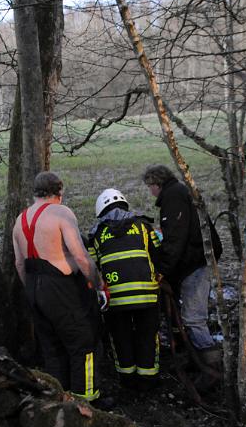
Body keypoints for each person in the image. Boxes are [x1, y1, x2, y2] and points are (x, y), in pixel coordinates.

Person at [12, 172, 105, 404]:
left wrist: (33, 292)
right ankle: (87, 404)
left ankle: (56, 401)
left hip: (33, 287)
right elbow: (81, 256)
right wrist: (99, 285)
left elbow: (19, 263)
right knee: (83, 343)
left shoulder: (20, 219)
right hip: (61, 286)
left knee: (51, 348)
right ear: (59, 191)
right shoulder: (61, 213)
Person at [142, 164, 220, 389]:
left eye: (150, 187)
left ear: (156, 184)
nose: (150, 192)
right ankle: (197, 361)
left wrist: (163, 270)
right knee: (190, 316)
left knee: (194, 318)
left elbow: (175, 239)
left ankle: (212, 370)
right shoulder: (179, 192)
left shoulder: (173, 198)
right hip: (197, 258)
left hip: (196, 262)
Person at [88, 188, 161, 392]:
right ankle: (148, 381)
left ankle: (127, 380)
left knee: (121, 337)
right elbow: (158, 255)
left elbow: (92, 267)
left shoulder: (96, 234)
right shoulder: (144, 227)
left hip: (116, 300)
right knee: (147, 335)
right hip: (147, 295)